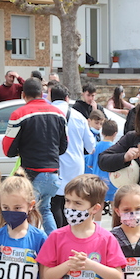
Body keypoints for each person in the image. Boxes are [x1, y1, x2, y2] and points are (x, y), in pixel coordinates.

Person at [2, 78, 68, 232]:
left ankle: (29, 248)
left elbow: (8, 150)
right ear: (42, 93)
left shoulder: (18, 114)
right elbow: (63, 147)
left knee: (27, 213)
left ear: (23, 94)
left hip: (31, 174)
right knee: (45, 210)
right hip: (53, 174)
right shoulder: (59, 114)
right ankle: (53, 245)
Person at [50, 84, 96, 228]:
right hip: (75, 165)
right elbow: (91, 146)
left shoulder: (48, 114)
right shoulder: (78, 116)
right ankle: (72, 228)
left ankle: (58, 232)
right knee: (73, 200)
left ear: (51, 97)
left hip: (54, 163)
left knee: (56, 202)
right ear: (67, 98)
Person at [86, 119, 119, 203]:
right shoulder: (116, 148)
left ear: (102, 133)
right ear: (115, 134)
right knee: (115, 205)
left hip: (98, 182)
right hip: (112, 182)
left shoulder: (96, 146)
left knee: (98, 206)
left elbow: (90, 165)